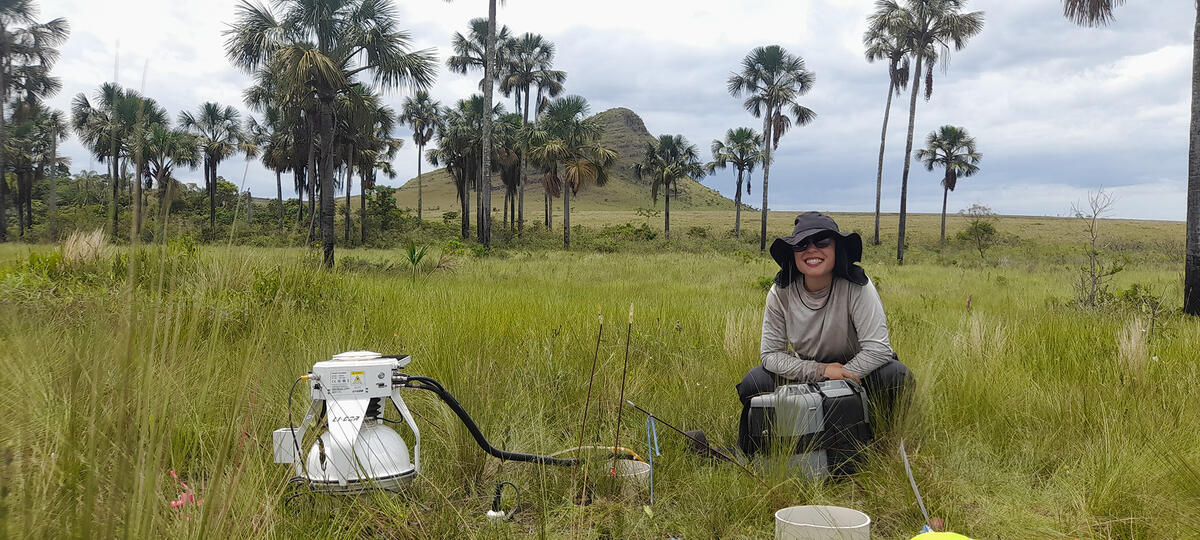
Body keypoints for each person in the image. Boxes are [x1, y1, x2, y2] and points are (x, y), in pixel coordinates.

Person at [736, 211, 911, 455]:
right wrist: (822, 372)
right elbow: (771, 355)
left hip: (860, 372)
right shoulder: (781, 291)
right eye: (802, 244)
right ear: (793, 253)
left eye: (822, 242)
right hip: (808, 369)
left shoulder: (857, 286)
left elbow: (878, 350)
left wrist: (843, 375)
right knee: (753, 383)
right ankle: (762, 451)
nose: (812, 250)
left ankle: (882, 444)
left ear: (837, 248)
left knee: (896, 376)